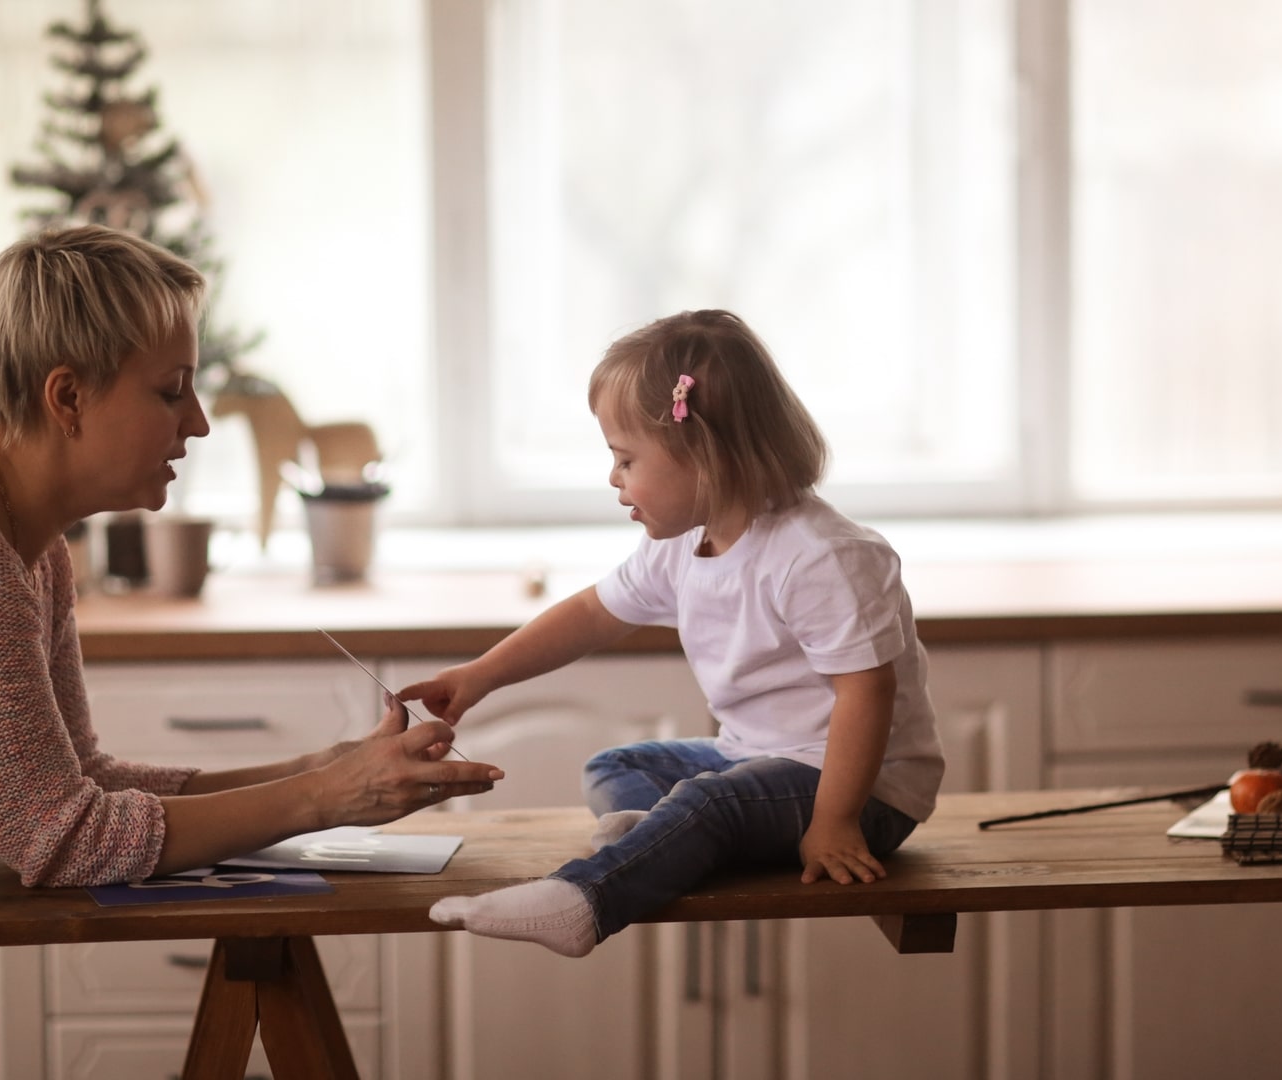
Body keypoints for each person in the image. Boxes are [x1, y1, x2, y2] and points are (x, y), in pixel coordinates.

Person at [0, 225, 501, 1074]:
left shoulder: (25, 547)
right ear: (67, 397)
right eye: (171, 391)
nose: (202, 422)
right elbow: (60, 839)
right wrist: (329, 797)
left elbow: (82, 783)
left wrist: (325, 766)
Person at [402, 309, 942, 958]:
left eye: (626, 458)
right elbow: (594, 613)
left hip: (864, 789)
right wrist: (480, 674)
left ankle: (585, 899)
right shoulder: (685, 544)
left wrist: (835, 821)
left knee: (711, 805)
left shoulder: (819, 555)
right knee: (617, 766)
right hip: (757, 757)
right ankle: (658, 838)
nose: (613, 478)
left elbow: (866, 692)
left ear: (704, 456)